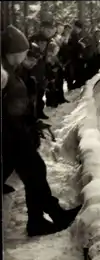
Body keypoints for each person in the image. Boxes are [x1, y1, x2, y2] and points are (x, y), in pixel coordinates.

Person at [1, 25, 81, 236]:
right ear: (13, 51)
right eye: (22, 51)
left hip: (17, 134)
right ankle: (46, 218)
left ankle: (42, 219)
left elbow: (17, 105)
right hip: (11, 137)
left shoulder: (11, 70)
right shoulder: (2, 72)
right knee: (35, 173)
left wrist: (32, 123)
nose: (25, 54)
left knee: (35, 174)